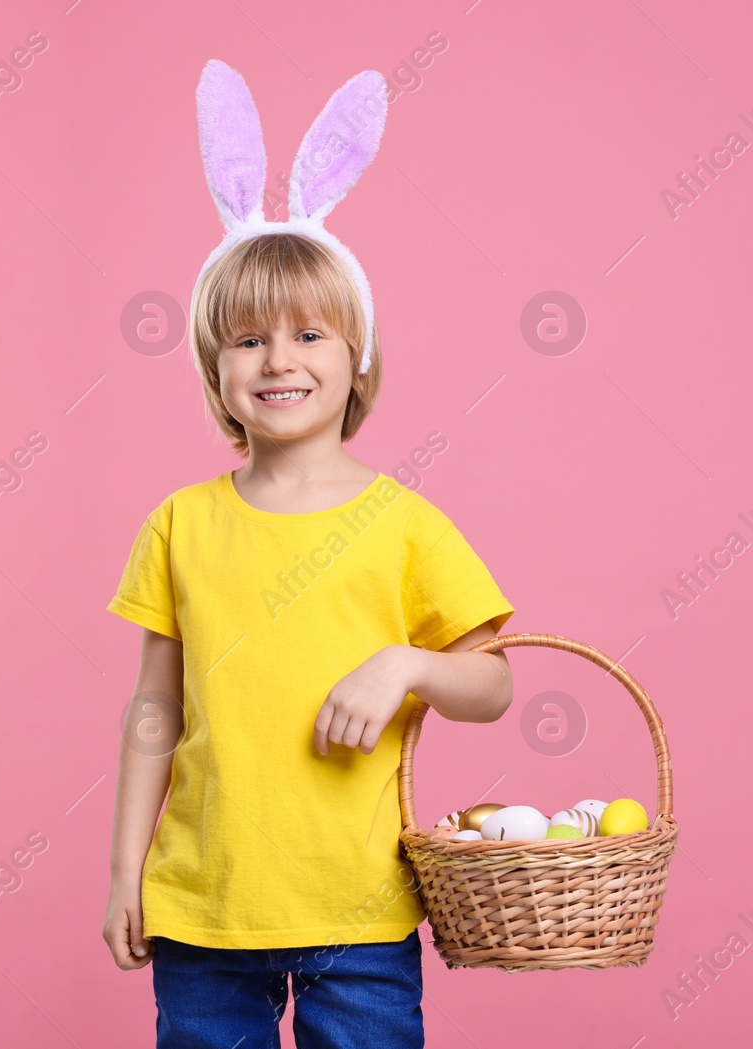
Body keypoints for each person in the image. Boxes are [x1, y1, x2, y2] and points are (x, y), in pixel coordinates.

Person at [101, 61, 516, 1049]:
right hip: (204, 907)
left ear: (357, 353)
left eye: (308, 333)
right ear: (214, 365)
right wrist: (125, 870)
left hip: (358, 910)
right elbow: (155, 709)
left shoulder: (405, 523)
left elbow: (493, 685)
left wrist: (408, 663)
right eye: (245, 339)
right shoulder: (180, 523)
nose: (278, 359)